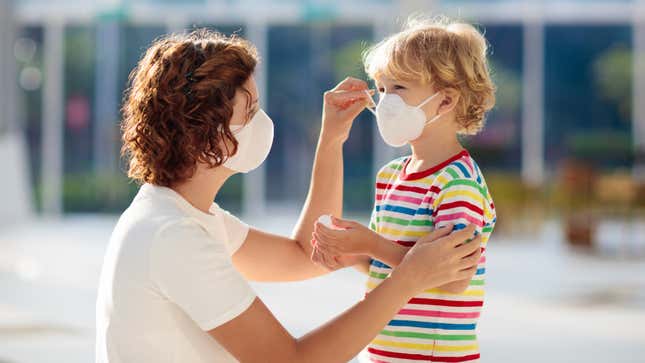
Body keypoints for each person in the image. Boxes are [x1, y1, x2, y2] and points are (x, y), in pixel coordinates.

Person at [95, 29, 482, 363]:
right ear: (210, 134)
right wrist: (410, 277)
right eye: (251, 111)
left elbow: (305, 255)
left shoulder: (187, 217)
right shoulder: (173, 235)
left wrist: (332, 140)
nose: (264, 122)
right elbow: (289, 361)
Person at [312, 16, 497, 362]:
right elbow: (391, 267)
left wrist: (369, 242)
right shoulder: (391, 176)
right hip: (384, 353)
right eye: (381, 89)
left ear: (444, 102)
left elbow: (454, 277)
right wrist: (351, 256)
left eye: (398, 88)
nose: (384, 101)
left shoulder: (458, 184)